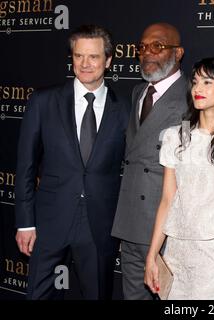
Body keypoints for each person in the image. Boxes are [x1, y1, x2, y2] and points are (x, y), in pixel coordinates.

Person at [14, 25, 130, 299]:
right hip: (49, 222)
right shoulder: (44, 102)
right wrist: (25, 223)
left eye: (94, 57)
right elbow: (25, 167)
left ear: (109, 60)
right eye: (79, 56)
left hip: (100, 225)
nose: (85, 64)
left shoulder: (124, 108)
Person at [144, 57, 214, 300]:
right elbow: (167, 199)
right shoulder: (176, 136)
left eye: (207, 82)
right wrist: (153, 254)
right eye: (195, 82)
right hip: (176, 251)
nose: (197, 89)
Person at [110, 22, 187, 300]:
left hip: (166, 227)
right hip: (130, 221)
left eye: (158, 46)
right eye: (142, 47)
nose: (147, 53)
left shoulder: (195, 95)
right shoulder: (138, 93)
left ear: (178, 53)